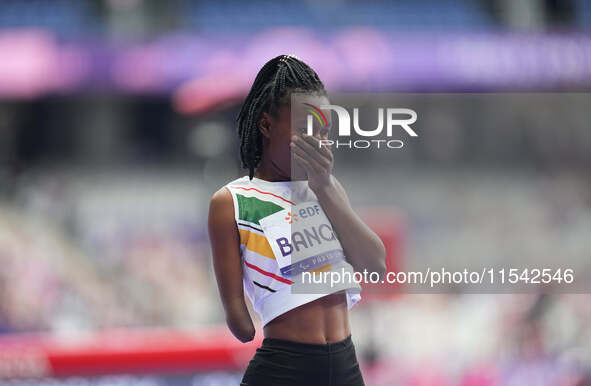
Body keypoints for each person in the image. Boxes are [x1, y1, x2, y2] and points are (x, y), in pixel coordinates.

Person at [207, 54, 386, 386]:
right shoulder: (232, 202)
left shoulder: (328, 189)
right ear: (266, 126)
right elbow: (240, 325)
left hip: (346, 366)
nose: (318, 140)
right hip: (284, 369)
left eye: (324, 130)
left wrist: (325, 187)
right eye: (305, 129)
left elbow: (375, 266)